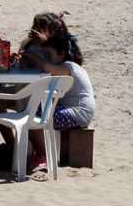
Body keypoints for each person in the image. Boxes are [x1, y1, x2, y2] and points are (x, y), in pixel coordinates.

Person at [24, 36, 96, 174]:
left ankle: (42, 155)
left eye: (48, 54)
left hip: (78, 113)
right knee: (36, 111)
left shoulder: (68, 67)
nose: (47, 58)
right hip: (78, 111)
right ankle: (39, 153)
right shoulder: (74, 67)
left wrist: (32, 57)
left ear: (61, 54)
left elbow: (47, 67)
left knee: (33, 117)